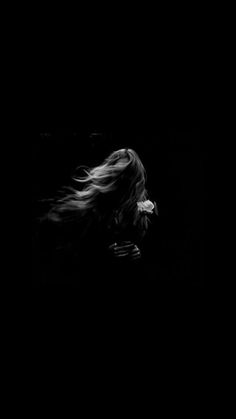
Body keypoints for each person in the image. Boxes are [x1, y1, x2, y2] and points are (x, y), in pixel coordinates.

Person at [32, 148, 158, 287]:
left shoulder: (142, 211)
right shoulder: (88, 211)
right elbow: (66, 256)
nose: (122, 181)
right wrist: (103, 255)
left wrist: (137, 252)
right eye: (118, 174)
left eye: (128, 176)